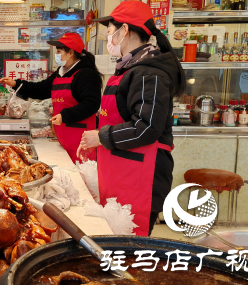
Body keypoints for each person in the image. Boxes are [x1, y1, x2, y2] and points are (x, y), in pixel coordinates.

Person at [79, 0, 186, 236]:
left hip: (141, 177)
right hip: (123, 170)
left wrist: (101, 136)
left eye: (109, 32)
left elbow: (146, 126)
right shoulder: (131, 69)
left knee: (131, 254)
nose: (108, 39)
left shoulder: (151, 73)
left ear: (124, 30)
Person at [0, 33, 102, 163]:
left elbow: (92, 104)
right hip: (64, 137)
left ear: (70, 52)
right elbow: (41, 89)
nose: (56, 55)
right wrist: (16, 84)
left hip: (82, 140)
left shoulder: (86, 74)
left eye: (59, 51)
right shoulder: (61, 72)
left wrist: (64, 116)